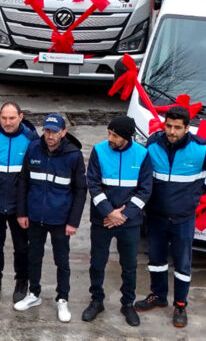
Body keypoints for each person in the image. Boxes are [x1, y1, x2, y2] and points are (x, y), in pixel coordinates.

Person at [135, 105, 206, 328]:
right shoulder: (153, 145)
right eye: (169, 126)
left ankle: (180, 304)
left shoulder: (199, 150)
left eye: (177, 127)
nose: (172, 131)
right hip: (156, 216)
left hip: (183, 218)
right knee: (156, 260)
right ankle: (158, 297)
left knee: (182, 264)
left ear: (187, 128)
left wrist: (200, 190)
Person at [13, 114, 86, 324]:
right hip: (35, 217)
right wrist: (22, 212)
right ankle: (34, 294)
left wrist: (73, 222)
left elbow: (80, 191)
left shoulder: (73, 156)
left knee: (61, 261)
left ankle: (62, 298)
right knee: (33, 257)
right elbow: (24, 182)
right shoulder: (33, 148)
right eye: (46, 131)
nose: (50, 135)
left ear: (63, 132)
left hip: (60, 220)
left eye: (54, 131)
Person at [81, 116, 153, 327]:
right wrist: (109, 212)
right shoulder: (99, 150)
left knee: (129, 265)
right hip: (102, 219)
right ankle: (97, 300)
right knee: (97, 262)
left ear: (126, 137)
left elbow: (145, 188)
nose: (109, 138)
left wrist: (124, 214)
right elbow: (93, 183)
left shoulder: (142, 154)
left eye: (115, 135)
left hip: (128, 222)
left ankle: (127, 303)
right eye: (109, 133)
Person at [0, 101, 38, 303]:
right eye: (4, 118)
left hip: (19, 206)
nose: (7, 122)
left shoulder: (31, 140)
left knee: (22, 247)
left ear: (21, 117)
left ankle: (22, 281)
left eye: (12, 118)